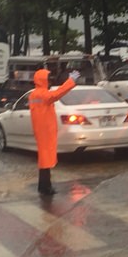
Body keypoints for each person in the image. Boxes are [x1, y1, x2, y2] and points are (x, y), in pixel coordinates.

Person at [29, 67, 80, 196]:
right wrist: (70, 81)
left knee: (44, 158)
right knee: (46, 158)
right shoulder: (42, 94)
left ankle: (44, 185)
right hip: (45, 129)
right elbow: (57, 94)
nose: (50, 80)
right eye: (48, 78)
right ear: (43, 80)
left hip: (41, 128)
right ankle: (46, 187)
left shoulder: (34, 94)